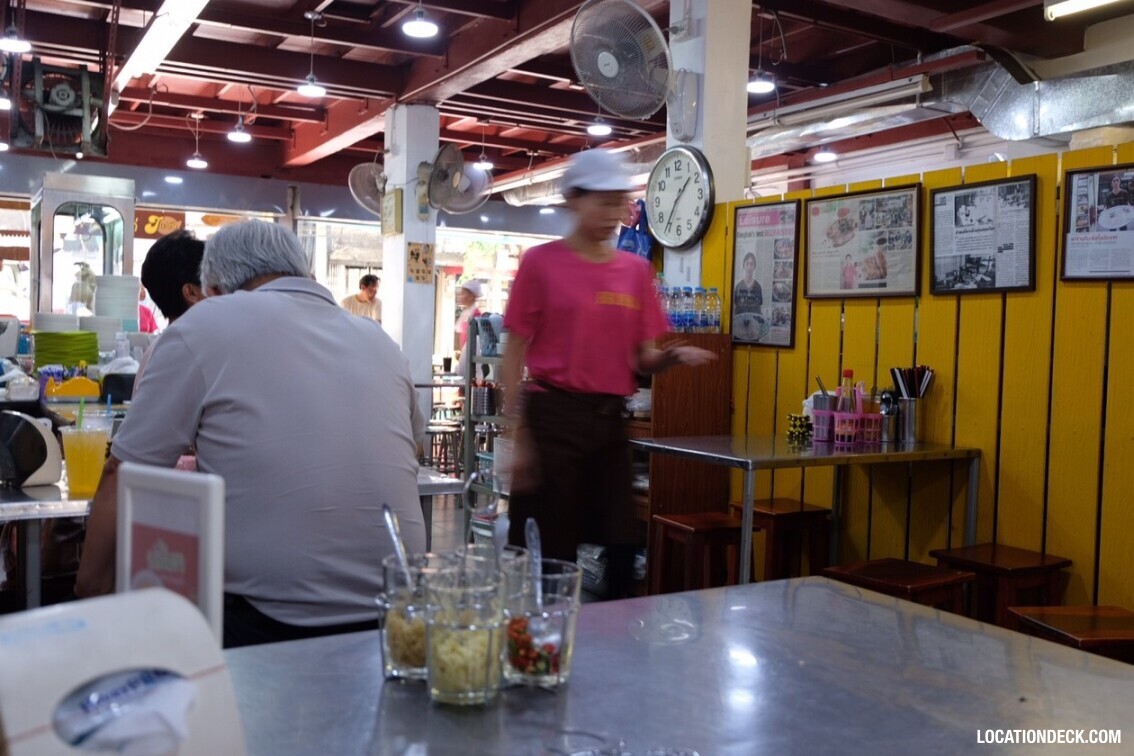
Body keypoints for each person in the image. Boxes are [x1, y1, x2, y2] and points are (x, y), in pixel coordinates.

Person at [76, 220, 427, 648]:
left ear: (215, 289)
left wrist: (89, 593)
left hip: (267, 621)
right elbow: (415, 446)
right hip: (399, 616)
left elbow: (124, 472)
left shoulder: (205, 323)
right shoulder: (379, 340)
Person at [501, 149, 715, 600]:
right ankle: (542, 651)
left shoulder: (634, 270)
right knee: (550, 556)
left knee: (622, 546)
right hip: (553, 419)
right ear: (574, 200)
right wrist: (516, 438)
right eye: (601, 201)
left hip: (608, 424)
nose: (612, 213)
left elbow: (643, 358)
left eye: (619, 202)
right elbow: (514, 352)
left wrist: (674, 358)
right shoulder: (541, 264)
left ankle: (616, 658)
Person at [454, 279, 483, 378]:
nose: (460, 296)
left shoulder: (477, 316)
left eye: (463, 293)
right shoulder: (465, 313)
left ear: (471, 296)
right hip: (464, 357)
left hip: (472, 360)